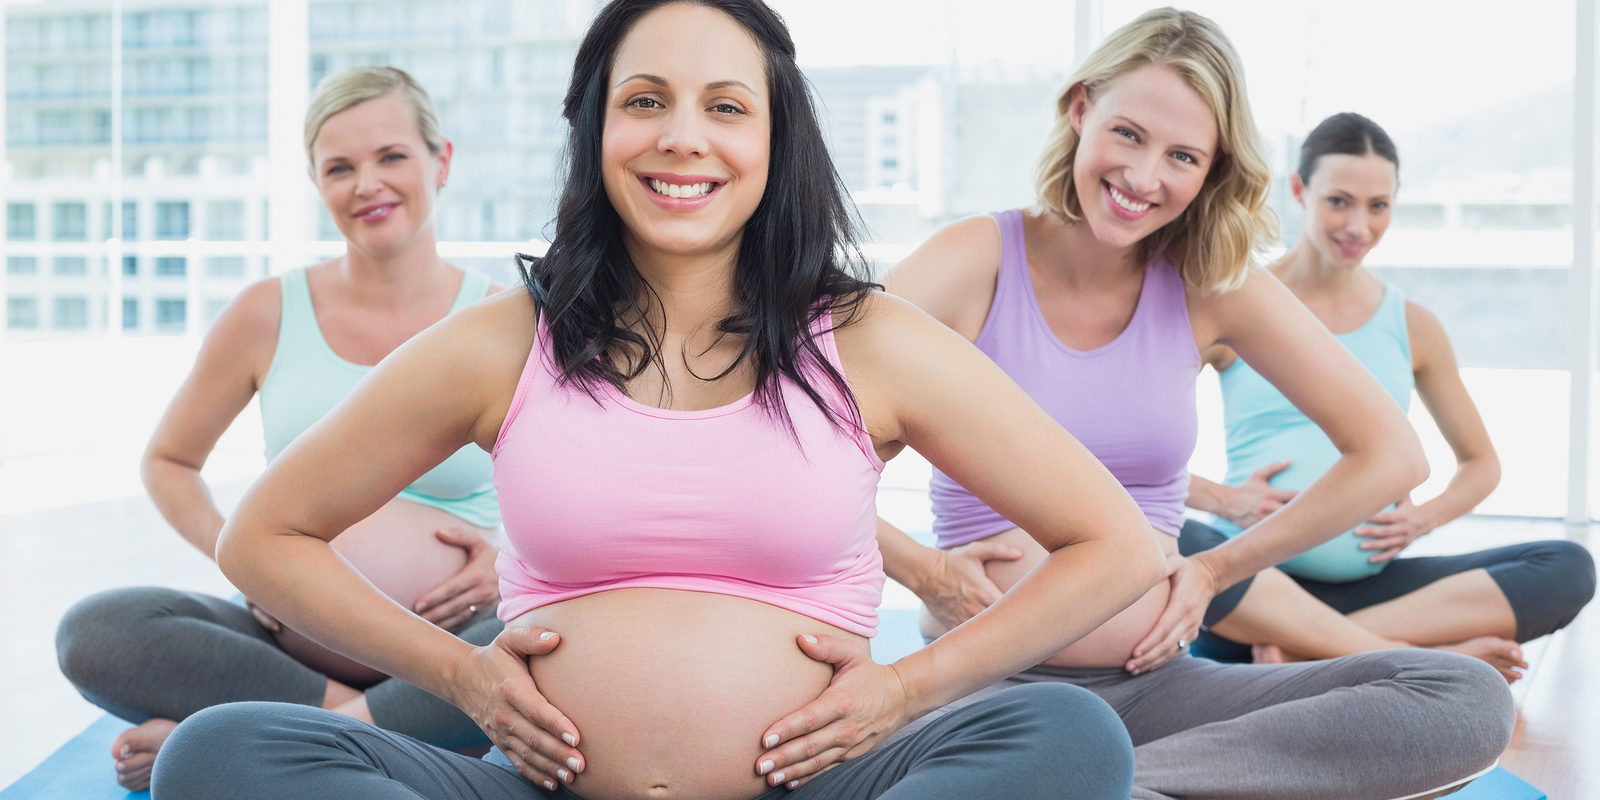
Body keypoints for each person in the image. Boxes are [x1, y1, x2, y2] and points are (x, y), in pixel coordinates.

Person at [148, 2, 1164, 798]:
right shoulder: (507, 337)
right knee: (217, 752)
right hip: (541, 784)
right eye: (644, 101)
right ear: (596, 128)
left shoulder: (867, 337)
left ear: (775, 140)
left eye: (725, 107)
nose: (684, 138)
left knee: (1067, 735)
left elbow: (1112, 543)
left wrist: (906, 687)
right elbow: (263, 536)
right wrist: (458, 677)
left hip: (822, 782)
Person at [876, 8, 1515, 798]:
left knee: (1461, 696)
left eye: (1183, 155)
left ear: (1213, 171)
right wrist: (920, 569)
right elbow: (790, 439)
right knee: (1053, 742)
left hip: (1156, 687)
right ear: (1081, 111)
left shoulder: (1212, 283)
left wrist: (1216, 569)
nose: (1145, 178)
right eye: (1129, 135)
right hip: (987, 690)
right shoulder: (975, 259)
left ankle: (1113, 786)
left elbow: (1393, 453)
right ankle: (1075, 775)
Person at [54, 66, 505, 792]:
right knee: (95, 631)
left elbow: (581, 487)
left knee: (560, 634)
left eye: (391, 156)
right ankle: (384, 730)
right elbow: (170, 460)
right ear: (316, 183)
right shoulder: (266, 313)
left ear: (440, 160)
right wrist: (242, 560)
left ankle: (270, 732)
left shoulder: (505, 320)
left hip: (454, 643)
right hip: (288, 644)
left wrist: (507, 561)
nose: (368, 184)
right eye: (339, 167)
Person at [1182, 111, 1595, 667]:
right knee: (1169, 538)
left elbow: (1481, 463)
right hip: (1249, 583)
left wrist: (1422, 519)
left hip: (1368, 588)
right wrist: (1224, 499)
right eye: (1339, 201)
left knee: (1568, 567)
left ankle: (1309, 648)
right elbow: (1129, 441)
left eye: (1378, 206)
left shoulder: (1412, 324)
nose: (1358, 226)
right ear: (1300, 191)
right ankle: (1388, 654)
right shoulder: (1237, 300)